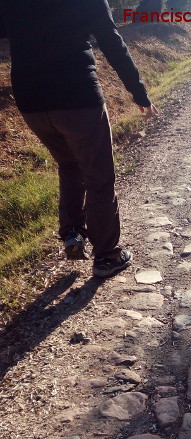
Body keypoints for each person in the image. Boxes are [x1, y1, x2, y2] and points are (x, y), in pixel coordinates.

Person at [0, 0, 158, 278]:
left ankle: (73, 232)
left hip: (31, 102)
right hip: (78, 98)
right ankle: (107, 255)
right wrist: (139, 93)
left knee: (69, 164)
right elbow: (111, 41)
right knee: (99, 176)